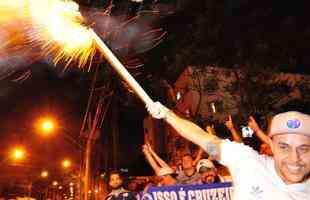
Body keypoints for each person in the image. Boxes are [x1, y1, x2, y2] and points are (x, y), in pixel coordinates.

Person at [146, 102, 310, 200]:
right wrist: (168, 115)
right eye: (284, 147)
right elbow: (202, 138)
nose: (294, 158)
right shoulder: (246, 161)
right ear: (272, 146)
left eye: (304, 149)